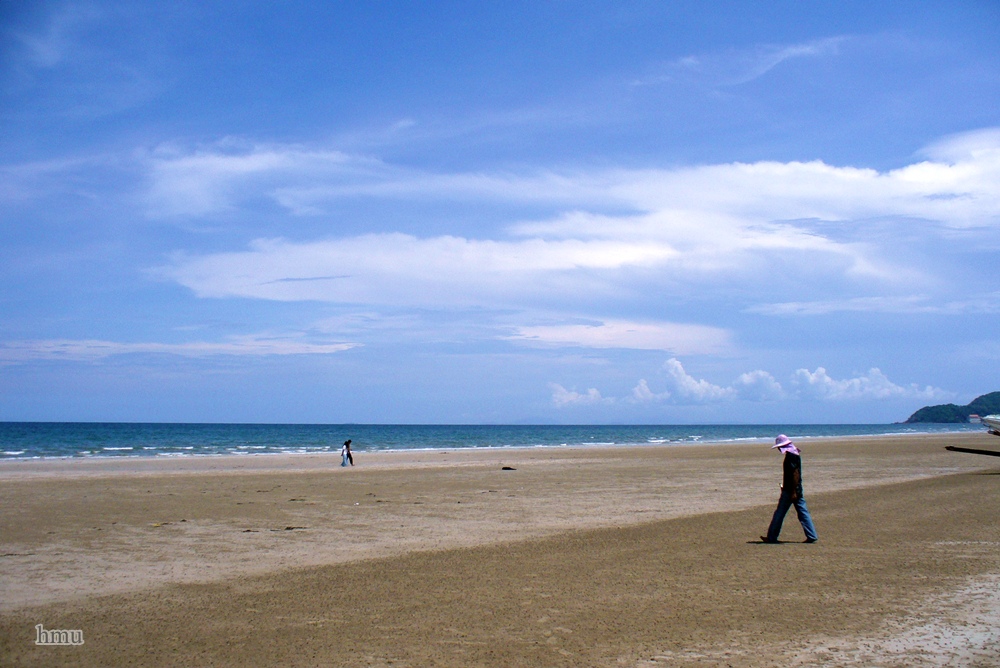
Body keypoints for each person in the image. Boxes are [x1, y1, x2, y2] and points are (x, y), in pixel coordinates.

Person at [761, 434, 818, 544]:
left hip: (790, 490)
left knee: (780, 513)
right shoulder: (795, 454)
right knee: (803, 512)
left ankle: (772, 537)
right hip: (797, 489)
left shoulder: (790, 457)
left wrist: (792, 491)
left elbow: (795, 474)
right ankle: (812, 535)